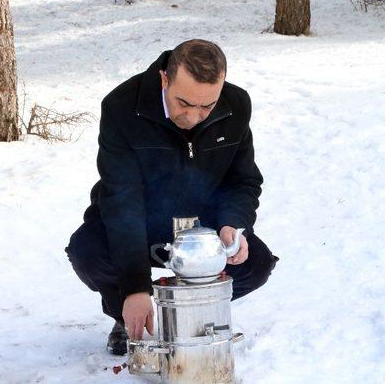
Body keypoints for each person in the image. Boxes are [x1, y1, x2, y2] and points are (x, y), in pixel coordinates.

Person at [66, 39, 278, 355]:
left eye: (207, 106)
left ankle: (188, 312)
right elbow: (122, 199)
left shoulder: (236, 104)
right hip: (141, 223)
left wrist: (234, 223)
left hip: (201, 231)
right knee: (88, 253)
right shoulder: (123, 106)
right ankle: (127, 316)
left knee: (256, 265)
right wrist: (134, 289)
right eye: (183, 103)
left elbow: (242, 180)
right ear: (165, 78)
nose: (194, 116)